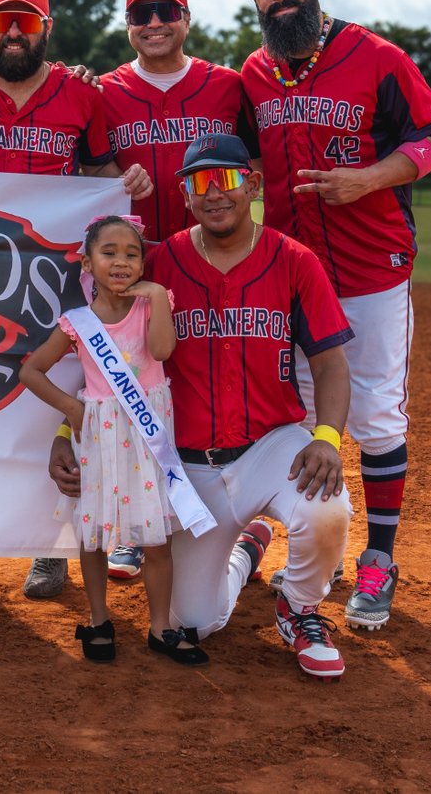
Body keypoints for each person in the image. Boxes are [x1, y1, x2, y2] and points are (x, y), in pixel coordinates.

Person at [53, 133, 355, 680]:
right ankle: (247, 550)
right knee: (196, 620)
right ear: (185, 195)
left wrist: (328, 437)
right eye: (199, 182)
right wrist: (62, 434)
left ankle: (301, 606)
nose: (214, 192)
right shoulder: (153, 265)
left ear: (254, 185)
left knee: (327, 508)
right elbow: (99, 358)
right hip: (185, 465)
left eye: (228, 179)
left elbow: (331, 363)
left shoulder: (294, 261)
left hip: (271, 443)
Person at [238, 0, 431, 632]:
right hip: (293, 275)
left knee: (378, 416)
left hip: (371, 270)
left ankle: (379, 559)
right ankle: (309, 546)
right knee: (292, 415)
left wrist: (372, 177)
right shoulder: (254, 74)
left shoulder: (376, 57)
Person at [0, 0, 154, 600]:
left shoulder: (82, 96)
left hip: (52, 287)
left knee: (47, 411)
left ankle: (49, 551)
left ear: (47, 29)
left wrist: (124, 184)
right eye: (6, 21)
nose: (17, 33)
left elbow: (102, 172)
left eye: (28, 22)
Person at [96, 0, 247, 583]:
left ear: (187, 18)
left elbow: (254, 170)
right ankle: (140, 526)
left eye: (166, 11)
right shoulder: (101, 90)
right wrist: (110, 179)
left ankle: (227, 518)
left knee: (202, 387)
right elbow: (84, 165)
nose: (154, 23)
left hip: (207, 259)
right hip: (132, 266)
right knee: (137, 392)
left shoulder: (229, 86)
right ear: (128, 25)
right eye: (141, 14)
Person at [18, 215, 205, 665]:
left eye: (132, 253)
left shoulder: (152, 305)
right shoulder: (76, 323)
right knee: (96, 536)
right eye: (109, 252)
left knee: (156, 538)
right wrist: (72, 408)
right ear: (87, 263)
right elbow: (30, 371)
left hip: (148, 435)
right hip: (100, 434)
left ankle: (160, 627)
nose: (121, 262)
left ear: (143, 263)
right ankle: (99, 619)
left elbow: (161, 352)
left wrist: (157, 295)